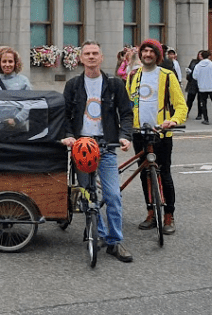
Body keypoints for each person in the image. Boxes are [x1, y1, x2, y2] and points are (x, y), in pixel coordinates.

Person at [60, 40, 134, 262]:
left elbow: (127, 113)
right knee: (87, 195)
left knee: (112, 195)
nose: (91, 57)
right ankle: (99, 234)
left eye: (95, 53)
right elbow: (64, 115)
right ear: (81, 59)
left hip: (106, 145)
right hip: (82, 146)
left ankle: (115, 241)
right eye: (87, 54)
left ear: (101, 58)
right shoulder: (73, 85)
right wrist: (69, 135)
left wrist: (124, 136)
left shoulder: (114, 84)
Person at [125, 38, 187, 236]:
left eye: (151, 51)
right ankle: (151, 212)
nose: (147, 55)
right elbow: (128, 104)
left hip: (161, 133)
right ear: (140, 55)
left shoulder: (167, 76)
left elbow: (181, 105)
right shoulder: (133, 75)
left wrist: (173, 121)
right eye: (144, 51)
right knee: (145, 174)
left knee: (164, 173)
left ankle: (169, 215)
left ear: (157, 55)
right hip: (139, 133)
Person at [192, 50, 212, 126]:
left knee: (203, 104)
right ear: (209, 56)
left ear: (201, 56)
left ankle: (206, 119)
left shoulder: (198, 66)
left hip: (202, 87)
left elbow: (194, 76)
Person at [184, 51, 200, 120]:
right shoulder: (194, 61)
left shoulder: (204, 63)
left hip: (200, 83)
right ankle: (186, 112)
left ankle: (200, 114)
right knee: (190, 99)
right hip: (192, 82)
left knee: (200, 100)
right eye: (199, 54)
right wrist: (188, 74)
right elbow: (189, 69)